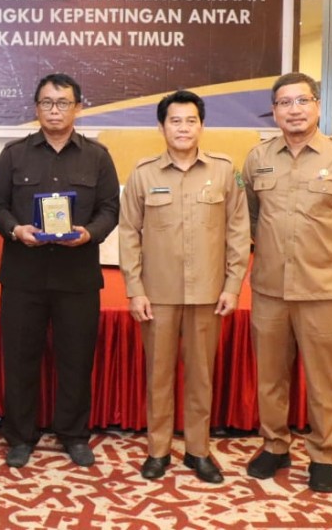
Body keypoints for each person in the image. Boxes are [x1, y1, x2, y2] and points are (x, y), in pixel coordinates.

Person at [243, 72, 332, 493]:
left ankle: (323, 455)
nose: (294, 110)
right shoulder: (257, 158)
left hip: (324, 290)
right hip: (270, 290)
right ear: (274, 112)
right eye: (284, 103)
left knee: (324, 381)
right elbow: (249, 217)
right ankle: (275, 445)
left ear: (318, 105)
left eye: (302, 101)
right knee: (271, 377)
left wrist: (329, 257)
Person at [0, 73, 119, 469]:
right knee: (20, 359)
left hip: (77, 277)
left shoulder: (97, 156)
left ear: (78, 107)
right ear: (36, 108)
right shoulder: (14, 154)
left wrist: (89, 233)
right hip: (23, 276)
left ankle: (74, 434)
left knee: (76, 360)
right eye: (47, 102)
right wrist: (16, 229)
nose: (55, 110)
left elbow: (110, 209)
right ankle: (20, 435)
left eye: (63, 103)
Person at [118, 90, 250, 483]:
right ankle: (158, 450)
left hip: (209, 293)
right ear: (161, 127)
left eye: (191, 121)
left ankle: (198, 450)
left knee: (201, 376)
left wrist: (232, 285)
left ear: (202, 125)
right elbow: (129, 234)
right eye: (175, 121)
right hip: (157, 295)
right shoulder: (144, 173)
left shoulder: (224, 171)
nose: (183, 128)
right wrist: (135, 289)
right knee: (159, 376)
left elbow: (238, 231)